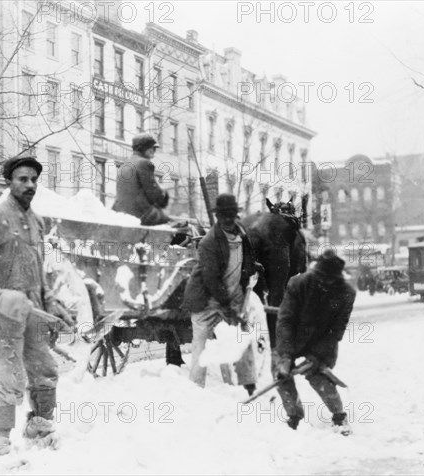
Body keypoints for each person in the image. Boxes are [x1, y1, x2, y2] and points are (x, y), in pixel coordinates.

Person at [0, 155, 73, 455]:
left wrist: (51, 302)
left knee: (45, 369)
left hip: (32, 309)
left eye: (34, 179)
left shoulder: (36, 221)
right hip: (2, 309)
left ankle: (39, 428)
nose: (30, 184)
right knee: (9, 376)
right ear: (9, 181)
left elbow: (38, 268)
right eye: (23, 179)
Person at [181, 194, 261, 395]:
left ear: (236, 215)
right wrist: (227, 306)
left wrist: (255, 270)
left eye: (231, 215)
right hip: (205, 301)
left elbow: (248, 261)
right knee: (200, 347)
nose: (227, 219)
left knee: (238, 343)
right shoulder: (209, 242)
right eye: (223, 215)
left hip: (232, 298)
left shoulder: (243, 236)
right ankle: (196, 391)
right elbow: (211, 279)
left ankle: (242, 388)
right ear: (217, 217)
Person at [274, 249, 356, 434]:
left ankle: (339, 416)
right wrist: (286, 355)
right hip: (293, 337)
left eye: (329, 280)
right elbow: (285, 320)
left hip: (323, 341)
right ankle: (295, 416)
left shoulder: (346, 293)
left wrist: (317, 356)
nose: (324, 283)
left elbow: (337, 329)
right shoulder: (298, 284)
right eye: (321, 278)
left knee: (317, 373)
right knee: (281, 373)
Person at [112, 133, 171, 226]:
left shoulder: (125, 164)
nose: (154, 151)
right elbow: (153, 194)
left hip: (121, 213)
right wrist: (164, 194)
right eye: (153, 148)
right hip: (140, 214)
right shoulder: (144, 163)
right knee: (177, 228)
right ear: (144, 148)